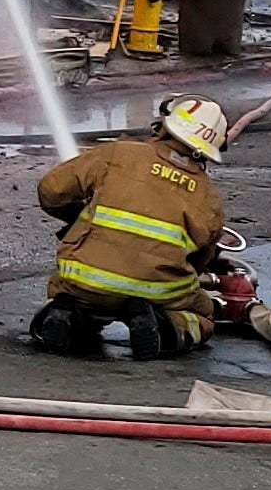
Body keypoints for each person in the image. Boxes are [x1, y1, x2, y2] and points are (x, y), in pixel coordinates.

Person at [30, 94, 232, 357]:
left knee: (78, 297)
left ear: (164, 126)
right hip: (156, 291)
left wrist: (78, 217)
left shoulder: (118, 153)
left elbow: (50, 191)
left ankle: (66, 313)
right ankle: (163, 327)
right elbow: (199, 260)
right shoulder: (208, 197)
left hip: (85, 278)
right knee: (201, 315)